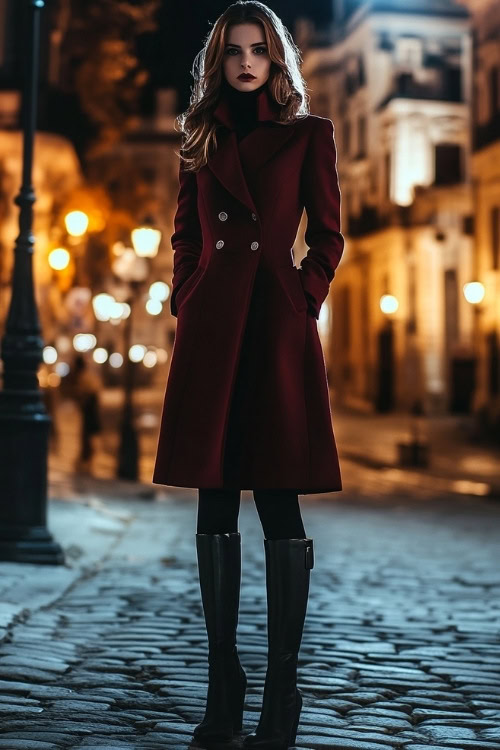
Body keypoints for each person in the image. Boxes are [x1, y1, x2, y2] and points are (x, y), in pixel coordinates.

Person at [153, 2, 345, 747]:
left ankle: (280, 688)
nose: (244, 62)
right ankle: (222, 685)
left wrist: (303, 295)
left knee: (277, 499)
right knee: (214, 500)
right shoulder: (199, 139)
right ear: (218, 60)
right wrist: (188, 292)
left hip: (272, 327)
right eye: (233, 50)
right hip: (211, 332)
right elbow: (186, 234)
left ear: (274, 60)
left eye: (258, 50)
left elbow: (328, 232)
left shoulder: (308, 135)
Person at [72, 354, 102, 473]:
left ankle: (88, 458)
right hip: (90, 410)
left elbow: (87, 394)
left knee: (87, 436)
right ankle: (87, 458)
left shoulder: (84, 378)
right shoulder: (88, 377)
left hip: (89, 411)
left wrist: (83, 401)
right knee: (88, 436)